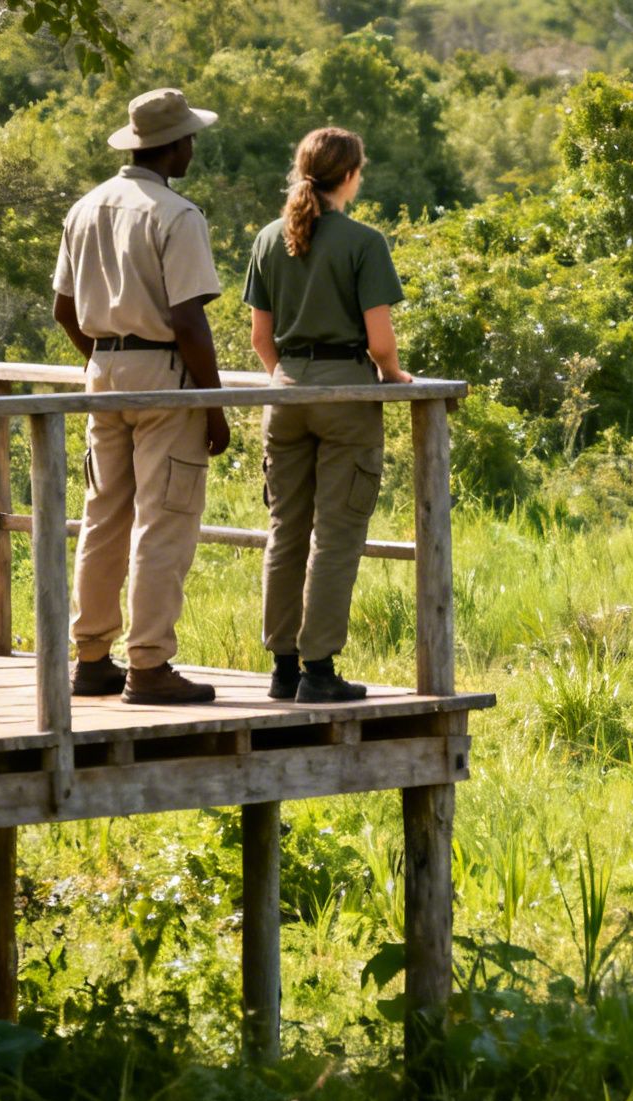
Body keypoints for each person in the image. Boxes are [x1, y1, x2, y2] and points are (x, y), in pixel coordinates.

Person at [53, 88, 230, 706]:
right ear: (172, 145)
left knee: (103, 516)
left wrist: (107, 359)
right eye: (188, 139)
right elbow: (188, 321)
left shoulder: (86, 208)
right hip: (164, 376)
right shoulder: (176, 215)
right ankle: (149, 664)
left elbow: (63, 309)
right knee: (164, 520)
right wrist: (214, 405)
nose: (193, 148)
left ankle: (91, 656)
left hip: (103, 372)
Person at [243, 127, 410, 704]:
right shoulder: (364, 242)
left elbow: (261, 337)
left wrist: (287, 378)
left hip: (285, 391)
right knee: (336, 535)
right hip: (345, 394)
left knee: (285, 530)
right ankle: (319, 670)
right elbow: (381, 341)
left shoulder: (269, 239)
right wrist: (391, 376)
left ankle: (283, 667)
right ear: (350, 176)